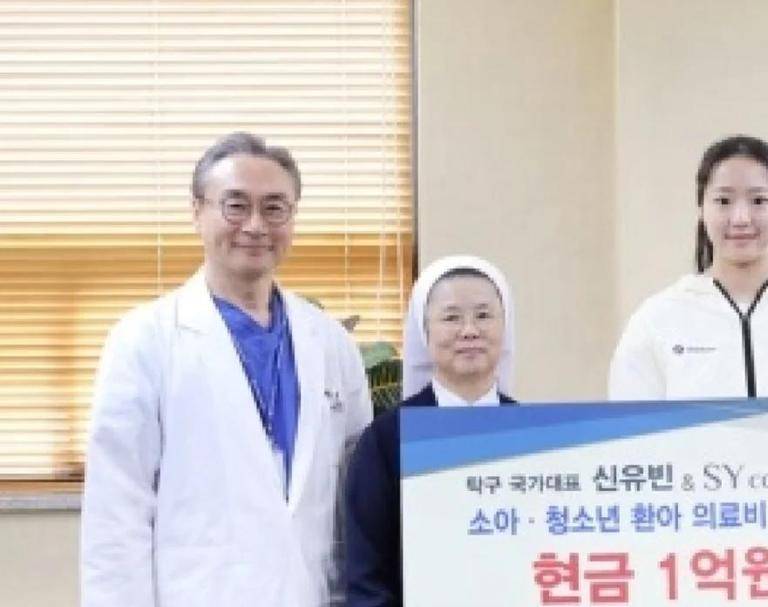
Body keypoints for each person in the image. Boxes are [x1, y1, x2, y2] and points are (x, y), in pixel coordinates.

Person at [80, 132, 373, 605]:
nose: (255, 225)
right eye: (236, 206)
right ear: (197, 211)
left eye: (275, 208)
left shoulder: (332, 344)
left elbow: (354, 501)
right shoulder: (144, 340)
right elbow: (116, 513)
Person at [608, 135, 768, 400]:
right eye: (723, 201)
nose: (741, 218)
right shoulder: (656, 320)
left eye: (759, 201)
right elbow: (630, 422)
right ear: (701, 208)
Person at [344, 255, 517, 607]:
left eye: (484, 315)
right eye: (451, 317)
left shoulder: (538, 435)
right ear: (425, 332)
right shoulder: (386, 439)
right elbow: (367, 576)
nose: (469, 330)